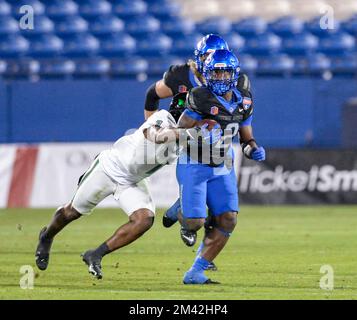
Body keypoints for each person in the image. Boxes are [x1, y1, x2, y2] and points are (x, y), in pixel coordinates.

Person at [34, 97, 206, 280]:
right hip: (109, 169)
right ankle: (47, 236)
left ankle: (95, 254)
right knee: (71, 212)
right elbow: (155, 135)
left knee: (144, 219)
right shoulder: (163, 117)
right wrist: (186, 134)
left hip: (133, 180)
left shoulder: (190, 138)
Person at [164, 49, 266, 284]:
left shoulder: (245, 100)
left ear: (233, 74)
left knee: (228, 218)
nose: (220, 78)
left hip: (223, 165)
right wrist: (197, 131)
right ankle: (180, 211)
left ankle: (195, 272)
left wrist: (252, 149)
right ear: (207, 74)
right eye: (216, 74)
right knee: (195, 222)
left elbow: (246, 136)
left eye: (224, 73)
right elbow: (179, 131)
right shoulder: (199, 96)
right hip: (195, 163)